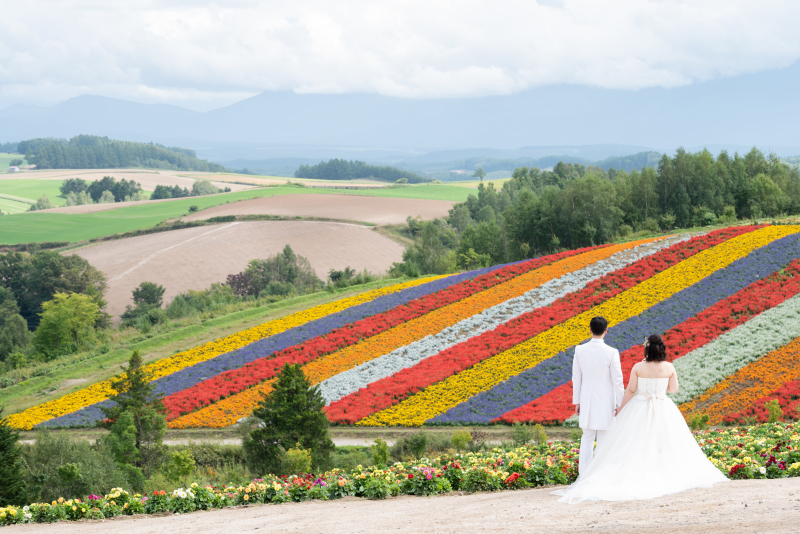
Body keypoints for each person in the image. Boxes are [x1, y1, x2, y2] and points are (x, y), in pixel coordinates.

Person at [552, 334, 728, 504]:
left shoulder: (638, 367)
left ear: (647, 350)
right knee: (665, 441)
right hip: (662, 405)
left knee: (636, 441)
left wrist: (620, 409)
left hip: (640, 405)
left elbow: (630, 390)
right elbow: (673, 389)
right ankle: (662, 471)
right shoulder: (669, 367)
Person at [571, 316, 624, 475]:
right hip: (606, 401)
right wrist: (621, 404)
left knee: (587, 437)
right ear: (606, 331)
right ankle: (600, 476)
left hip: (586, 399)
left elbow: (576, 377)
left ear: (590, 329)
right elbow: (618, 380)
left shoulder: (580, 350)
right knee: (603, 438)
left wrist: (577, 401)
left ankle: (584, 476)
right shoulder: (611, 352)